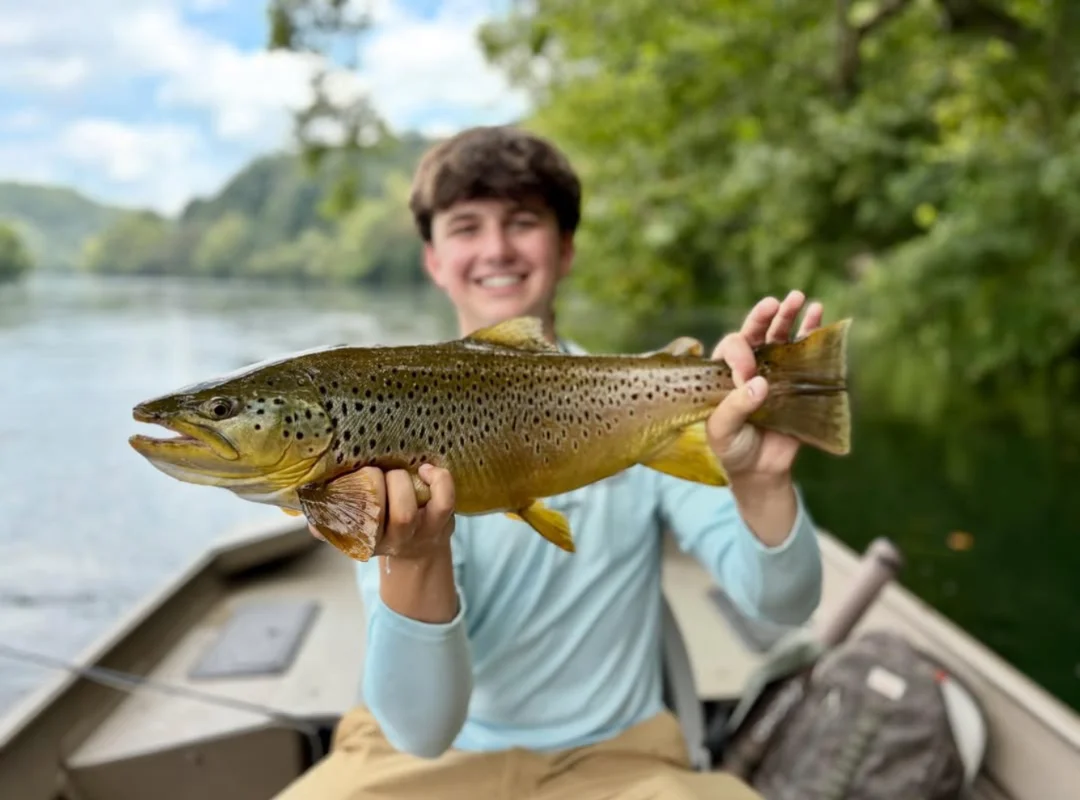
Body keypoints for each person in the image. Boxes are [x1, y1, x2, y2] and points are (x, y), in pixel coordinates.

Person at [274, 125, 825, 800]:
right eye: (466, 226)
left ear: (564, 250)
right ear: (434, 260)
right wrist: (415, 558)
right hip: (412, 766)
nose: (497, 248)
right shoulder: (379, 411)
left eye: (523, 222)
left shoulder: (644, 403)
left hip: (622, 762)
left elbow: (786, 604)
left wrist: (762, 482)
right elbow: (421, 731)